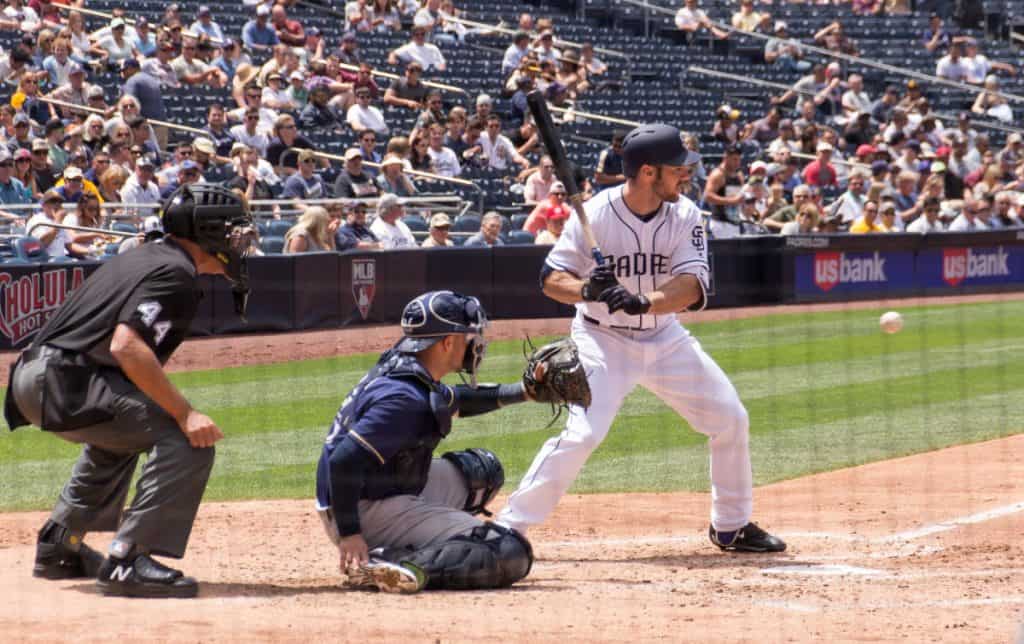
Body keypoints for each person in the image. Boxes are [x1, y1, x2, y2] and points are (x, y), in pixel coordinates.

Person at [495, 123, 786, 554]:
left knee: (730, 418)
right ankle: (506, 529)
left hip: (666, 339)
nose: (685, 175)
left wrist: (643, 301)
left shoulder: (685, 214)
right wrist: (587, 290)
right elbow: (551, 279)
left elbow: (690, 286)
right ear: (649, 172)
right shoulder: (594, 212)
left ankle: (731, 525)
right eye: (677, 168)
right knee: (584, 434)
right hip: (602, 340)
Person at [4, 185, 256, 598]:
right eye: (231, 230)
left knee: (126, 431)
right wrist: (185, 412)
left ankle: (59, 545)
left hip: (35, 378)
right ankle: (127, 559)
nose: (238, 240)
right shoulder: (176, 274)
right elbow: (127, 345)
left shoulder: (146, 257)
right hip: (63, 380)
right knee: (185, 438)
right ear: (207, 231)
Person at [316, 290, 542, 593]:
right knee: (507, 550)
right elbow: (342, 461)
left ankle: (424, 534)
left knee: (482, 473)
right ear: (447, 342)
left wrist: (525, 392)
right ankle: (394, 562)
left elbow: (458, 399)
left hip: (379, 484)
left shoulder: (407, 368)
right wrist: (350, 533)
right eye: (468, 336)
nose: (475, 344)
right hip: (361, 507)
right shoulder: (404, 399)